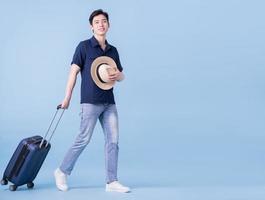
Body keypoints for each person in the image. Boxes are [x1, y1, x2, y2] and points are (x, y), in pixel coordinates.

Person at [54, 9, 130, 193]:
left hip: (109, 102)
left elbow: (120, 77)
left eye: (104, 21)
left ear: (109, 25)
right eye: (97, 22)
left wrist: (119, 75)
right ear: (91, 27)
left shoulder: (113, 51)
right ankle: (62, 171)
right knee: (83, 139)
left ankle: (112, 181)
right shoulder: (84, 47)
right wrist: (67, 98)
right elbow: (73, 73)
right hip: (90, 101)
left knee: (113, 141)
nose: (101, 24)